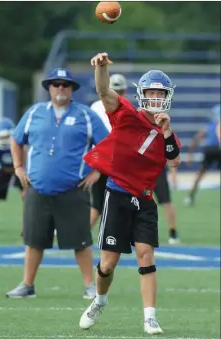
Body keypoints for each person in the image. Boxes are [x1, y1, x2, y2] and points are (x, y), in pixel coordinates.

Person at [79, 53, 181, 334]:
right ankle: (100, 300)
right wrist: (101, 68)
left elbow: (173, 160)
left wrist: (167, 131)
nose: (157, 98)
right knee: (108, 264)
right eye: (152, 93)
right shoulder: (125, 115)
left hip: (145, 199)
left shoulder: (166, 130)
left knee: (146, 256)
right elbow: (103, 91)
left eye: (161, 94)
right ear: (142, 94)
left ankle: (150, 317)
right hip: (119, 195)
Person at [5, 68, 109, 300]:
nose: (60, 88)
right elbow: (15, 139)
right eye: (56, 84)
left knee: (81, 242)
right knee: (34, 241)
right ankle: (27, 285)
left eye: (65, 84)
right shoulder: (34, 113)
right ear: (48, 88)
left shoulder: (85, 115)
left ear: (72, 88)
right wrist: (19, 167)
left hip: (73, 189)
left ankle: (89, 286)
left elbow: (108, 145)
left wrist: (97, 172)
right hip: (37, 189)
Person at [89, 74, 127, 227]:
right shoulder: (126, 107)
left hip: (96, 158)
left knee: (97, 204)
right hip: (113, 159)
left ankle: (81, 236)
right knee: (118, 201)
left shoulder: (95, 106)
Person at [183, 103, 220, 206]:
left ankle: (190, 196)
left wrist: (190, 155)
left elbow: (196, 139)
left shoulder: (209, 126)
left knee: (200, 174)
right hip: (216, 149)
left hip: (209, 150)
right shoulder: (212, 126)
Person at [154, 167, 180, 244]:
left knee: (167, 202)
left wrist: (173, 173)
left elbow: (170, 156)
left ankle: (173, 233)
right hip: (139, 171)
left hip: (157, 170)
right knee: (135, 201)